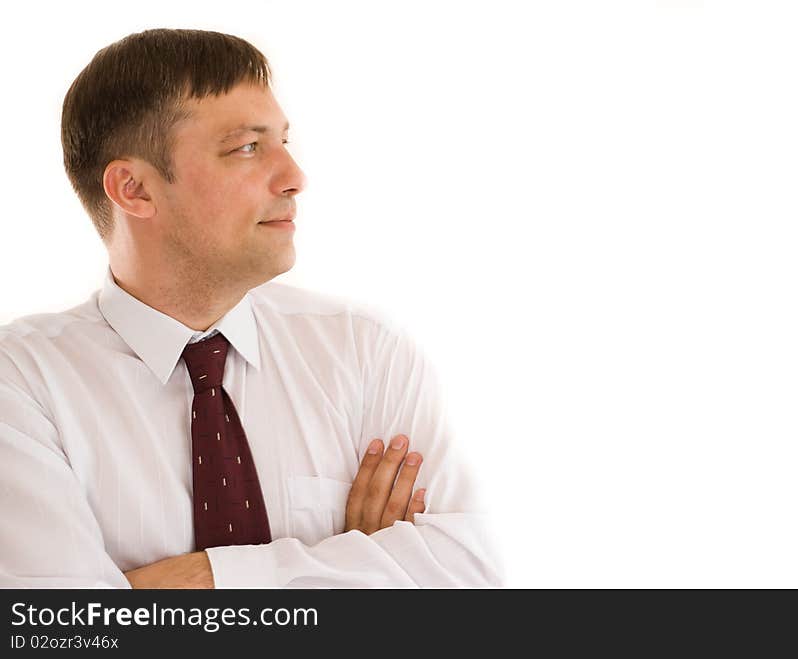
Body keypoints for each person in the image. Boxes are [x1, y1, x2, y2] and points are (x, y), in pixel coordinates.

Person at [0, 28, 502, 588]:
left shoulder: (365, 353)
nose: (294, 177)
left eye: (284, 142)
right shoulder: (21, 385)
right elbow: (59, 630)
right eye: (247, 147)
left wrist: (210, 580)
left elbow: (469, 575)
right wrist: (356, 566)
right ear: (135, 189)